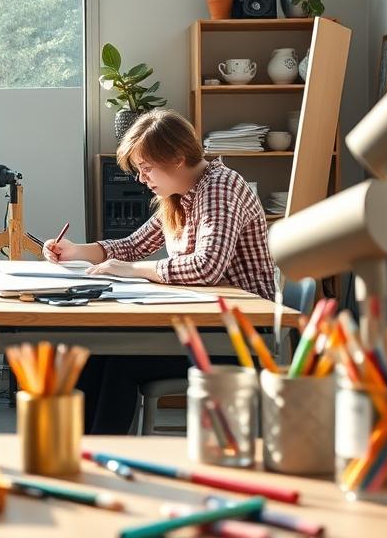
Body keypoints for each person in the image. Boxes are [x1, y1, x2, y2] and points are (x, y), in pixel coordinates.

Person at [44, 109, 275, 434]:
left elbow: (206, 267)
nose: (141, 178)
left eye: (146, 168)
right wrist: (75, 251)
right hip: (203, 325)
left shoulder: (221, 188)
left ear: (178, 158)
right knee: (95, 353)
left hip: (239, 336)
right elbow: (131, 245)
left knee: (117, 363)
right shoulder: (179, 195)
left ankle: (102, 456)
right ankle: (80, 452)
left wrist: (134, 271)